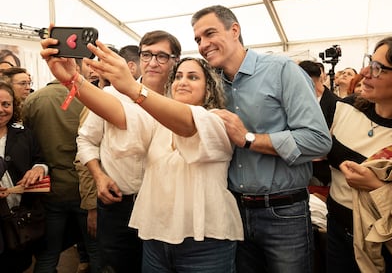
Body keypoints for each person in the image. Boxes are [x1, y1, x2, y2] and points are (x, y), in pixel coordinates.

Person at [40, 32, 244, 272]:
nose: (182, 82)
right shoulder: (158, 122)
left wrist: (132, 89)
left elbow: (188, 123)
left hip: (204, 244)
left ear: (209, 89)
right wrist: (73, 79)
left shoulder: (216, 121)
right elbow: (117, 111)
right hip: (156, 239)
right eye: (179, 76)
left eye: (192, 77)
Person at [191, 5, 332, 273]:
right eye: (198, 40)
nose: (203, 44)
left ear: (235, 30)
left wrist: (248, 139)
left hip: (284, 213)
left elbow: (317, 140)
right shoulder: (212, 85)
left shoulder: (281, 71)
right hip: (233, 211)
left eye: (209, 34)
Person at [77, 30, 181, 272]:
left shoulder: (181, 101)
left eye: (162, 56)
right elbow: (85, 141)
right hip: (118, 205)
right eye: (147, 54)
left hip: (163, 206)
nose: (153, 62)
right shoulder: (112, 95)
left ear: (175, 60)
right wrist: (99, 177)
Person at [326, 35, 392, 272]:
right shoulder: (346, 107)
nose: (365, 72)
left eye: (379, 68)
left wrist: (376, 187)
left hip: (384, 246)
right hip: (336, 231)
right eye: (369, 62)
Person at [22, 64, 100, 273]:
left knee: (48, 253)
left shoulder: (33, 100)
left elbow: (26, 141)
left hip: (51, 188)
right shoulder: (93, 98)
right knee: (95, 250)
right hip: (86, 186)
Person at [0, 81, 48, 272]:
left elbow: (41, 160)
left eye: (6, 104)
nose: (1, 110)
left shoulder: (24, 134)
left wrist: (39, 169)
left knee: (19, 263)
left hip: (19, 218)